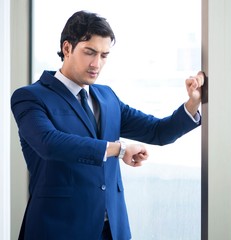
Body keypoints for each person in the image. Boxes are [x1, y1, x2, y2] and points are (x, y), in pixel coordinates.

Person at [11, 10, 204, 240]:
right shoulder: (31, 97)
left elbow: (158, 131)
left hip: (112, 230)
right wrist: (118, 149)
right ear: (67, 49)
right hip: (58, 228)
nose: (96, 63)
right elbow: (49, 144)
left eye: (104, 55)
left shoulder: (107, 97)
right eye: (89, 52)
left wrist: (193, 103)